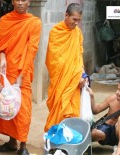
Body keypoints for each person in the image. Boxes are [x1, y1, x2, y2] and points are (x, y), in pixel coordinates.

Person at [0, 0, 42, 155]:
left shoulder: (34, 22)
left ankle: (23, 145)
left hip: (22, 72)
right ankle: (12, 142)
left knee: (23, 109)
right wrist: (2, 58)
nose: (20, 3)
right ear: (12, 1)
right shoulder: (5, 20)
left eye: (24, 0)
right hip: (6, 70)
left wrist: (23, 72)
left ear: (29, 2)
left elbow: (32, 49)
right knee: (7, 105)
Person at [44, 3, 86, 132]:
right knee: (59, 106)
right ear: (66, 15)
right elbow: (54, 60)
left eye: (79, 20)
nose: (76, 23)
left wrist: (82, 74)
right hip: (60, 80)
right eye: (74, 19)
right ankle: (54, 139)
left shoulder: (77, 33)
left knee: (72, 110)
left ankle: (69, 141)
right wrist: (72, 72)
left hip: (74, 80)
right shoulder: (56, 32)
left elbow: (79, 55)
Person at [89, 77, 120, 146]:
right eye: (117, 89)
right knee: (92, 133)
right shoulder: (112, 99)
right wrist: (91, 96)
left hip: (119, 135)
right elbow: (95, 110)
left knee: (118, 125)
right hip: (104, 128)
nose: (117, 92)